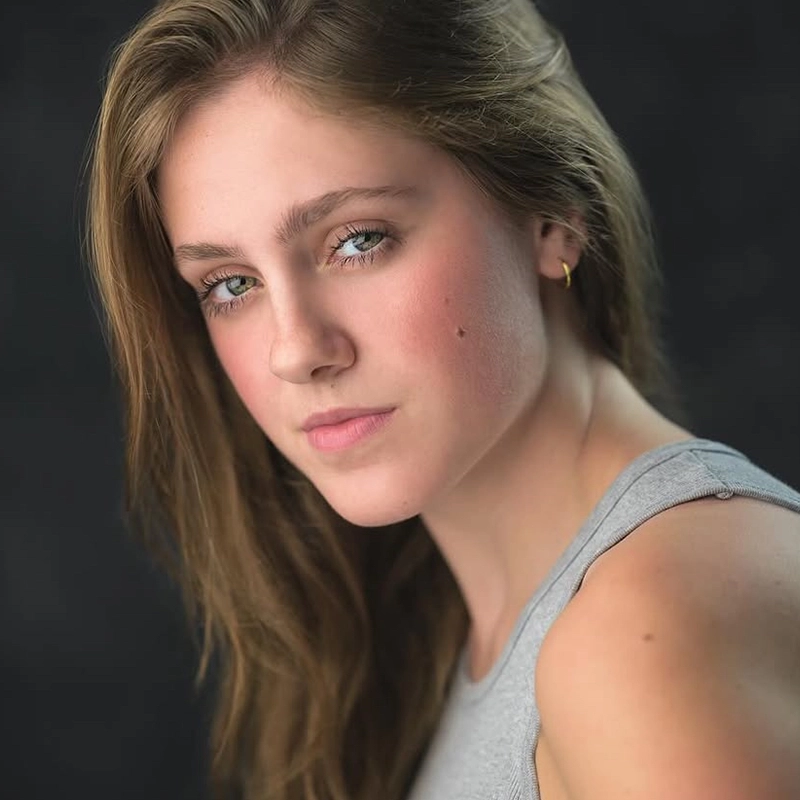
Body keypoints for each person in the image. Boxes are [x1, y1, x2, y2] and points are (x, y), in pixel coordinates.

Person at [86, 1, 800, 798]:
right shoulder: (494, 628)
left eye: (357, 240)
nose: (296, 350)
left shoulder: (640, 635)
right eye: (231, 284)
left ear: (553, 215)